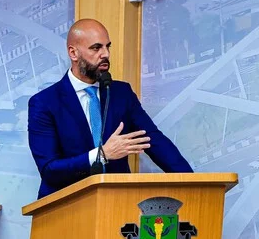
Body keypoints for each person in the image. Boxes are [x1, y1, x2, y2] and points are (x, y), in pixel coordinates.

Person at [28, 18, 191, 198]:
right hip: (65, 205)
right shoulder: (44, 103)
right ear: (73, 53)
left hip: (117, 202)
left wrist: (192, 183)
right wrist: (102, 154)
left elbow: (154, 140)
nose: (105, 54)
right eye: (96, 48)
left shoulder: (121, 93)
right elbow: (49, 169)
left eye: (107, 47)